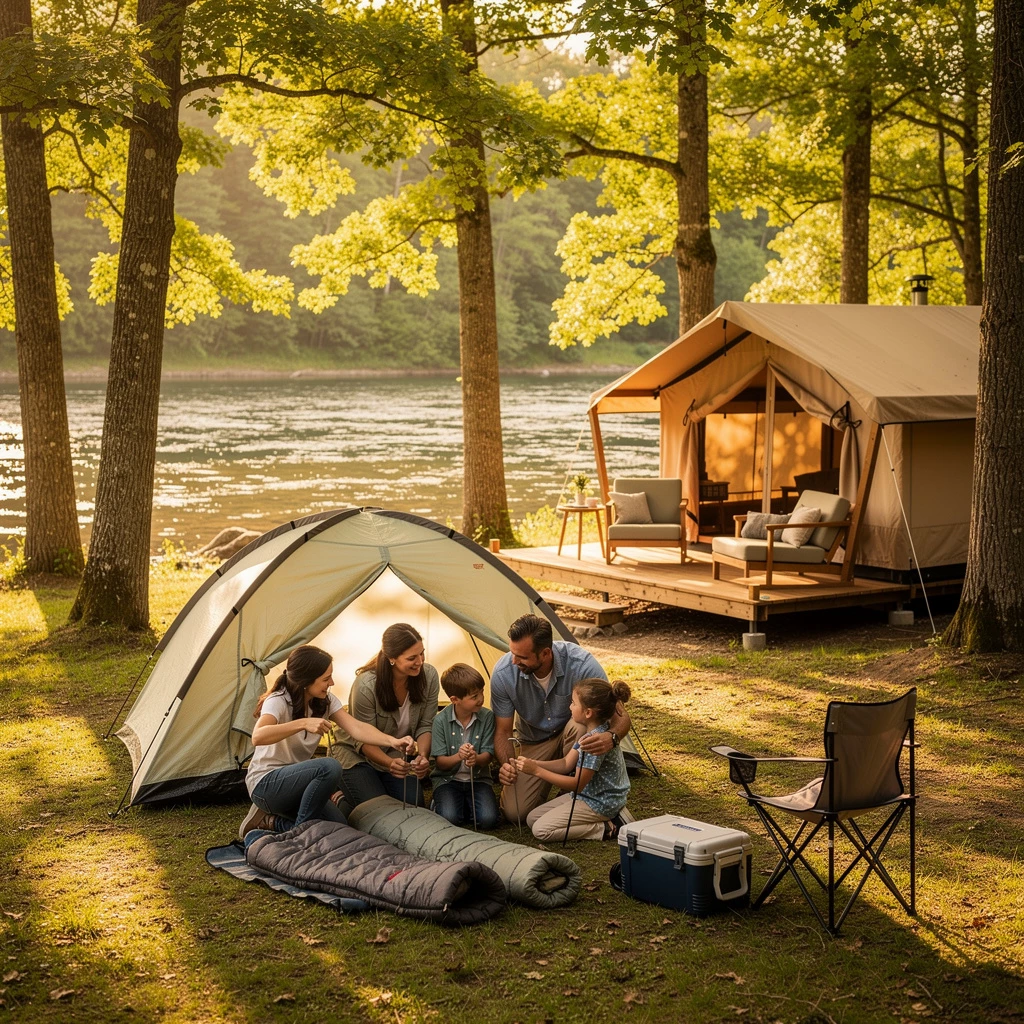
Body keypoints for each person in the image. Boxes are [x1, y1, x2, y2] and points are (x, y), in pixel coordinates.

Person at [240, 644, 414, 839]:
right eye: (325, 678)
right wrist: (303, 723)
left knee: (339, 828)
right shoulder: (279, 700)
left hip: (300, 786)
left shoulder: (325, 701)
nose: (331, 682)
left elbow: (356, 727)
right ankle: (303, 835)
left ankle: (272, 822)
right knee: (329, 766)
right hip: (267, 784)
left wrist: (392, 741)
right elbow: (258, 736)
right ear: (306, 681)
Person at [492, 613, 631, 824]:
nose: (513, 660)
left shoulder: (581, 664)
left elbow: (619, 713)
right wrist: (508, 765)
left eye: (522, 657)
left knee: (580, 724)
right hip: (534, 741)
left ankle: (592, 796)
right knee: (515, 813)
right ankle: (571, 797)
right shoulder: (504, 674)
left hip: (574, 735)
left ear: (545, 653)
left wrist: (611, 737)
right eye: (512, 652)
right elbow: (503, 731)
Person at [333, 623, 438, 808]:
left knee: (415, 805)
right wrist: (390, 763)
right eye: (412, 658)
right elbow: (363, 739)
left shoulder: (428, 676)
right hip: (357, 754)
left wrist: (422, 756)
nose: (420, 662)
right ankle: (338, 793)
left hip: (396, 754)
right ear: (392, 658)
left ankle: (364, 790)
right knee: (377, 808)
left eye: (422, 653)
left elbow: (426, 725)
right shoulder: (366, 685)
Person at [516, 679, 632, 842]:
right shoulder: (590, 734)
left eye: (573, 703)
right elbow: (565, 763)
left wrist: (537, 771)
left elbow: (577, 785)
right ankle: (610, 819)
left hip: (600, 802)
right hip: (588, 796)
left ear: (588, 713)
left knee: (541, 830)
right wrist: (534, 763)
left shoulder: (594, 744)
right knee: (532, 818)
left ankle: (609, 827)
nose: (570, 706)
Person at [430, 663, 499, 829]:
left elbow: (488, 755)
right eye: (474, 696)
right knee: (450, 819)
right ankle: (442, 803)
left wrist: (476, 758)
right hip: (449, 780)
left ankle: (467, 806)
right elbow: (440, 763)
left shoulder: (487, 716)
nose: (481, 698)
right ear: (455, 700)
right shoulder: (440, 721)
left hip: (478, 780)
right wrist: (459, 757)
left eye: (482, 692)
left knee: (488, 820)